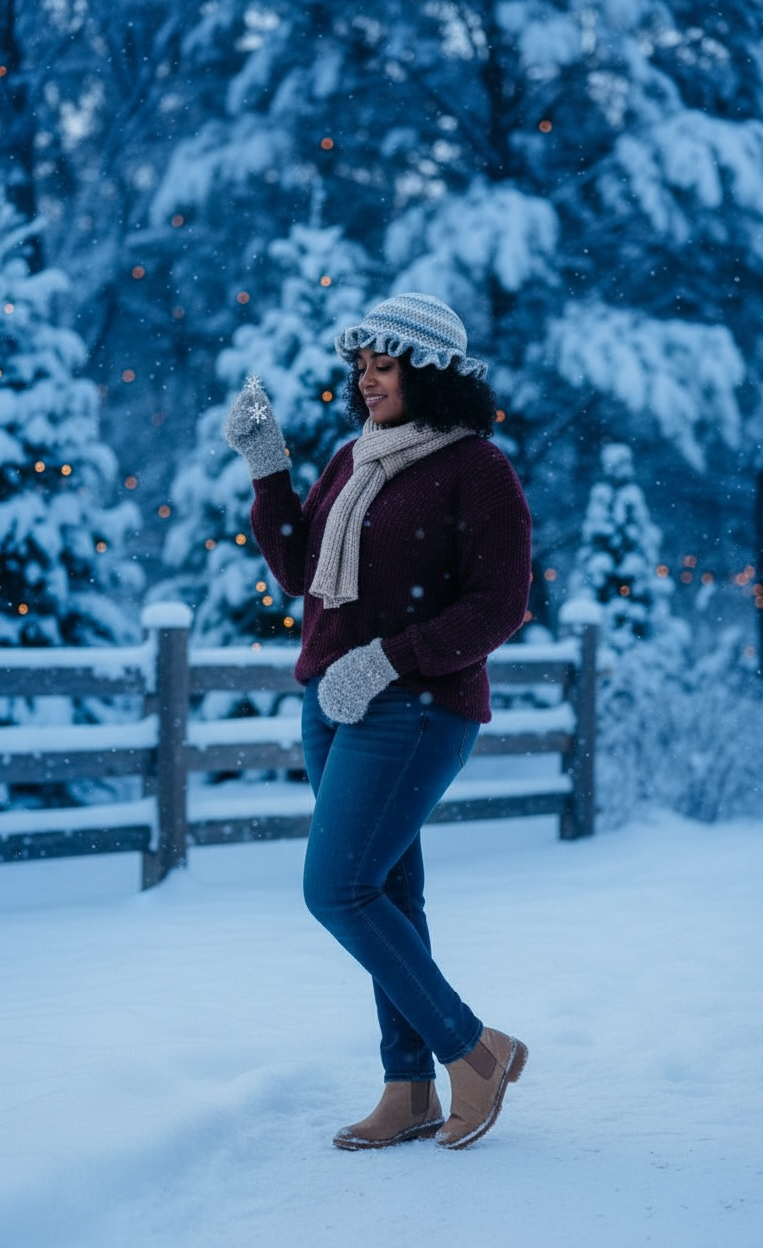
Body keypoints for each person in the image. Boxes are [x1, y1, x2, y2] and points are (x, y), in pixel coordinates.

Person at [224, 292, 532, 1151]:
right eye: (359, 366)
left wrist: (390, 659)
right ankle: (410, 1088)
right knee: (388, 892)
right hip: (330, 702)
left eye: (382, 365)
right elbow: (298, 570)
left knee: (339, 889)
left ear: (427, 372)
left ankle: (474, 1051)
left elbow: (499, 605)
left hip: (417, 706)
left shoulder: (478, 468)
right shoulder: (352, 459)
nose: (364, 381)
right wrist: (267, 468)